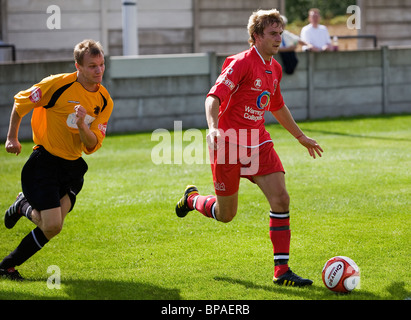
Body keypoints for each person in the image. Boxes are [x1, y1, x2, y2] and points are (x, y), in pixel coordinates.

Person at [175, 9, 323, 287]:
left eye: (280, 33)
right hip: (229, 144)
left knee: (281, 199)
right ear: (256, 37)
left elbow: (276, 105)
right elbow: (213, 98)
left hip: (259, 143)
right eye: (272, 34)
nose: (279, 39)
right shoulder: (239, 62)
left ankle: (282, 272)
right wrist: (213, 127)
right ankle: (193, 199)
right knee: (226, 215)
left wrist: (300, 137)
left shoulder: (275, 68)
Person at [1, 39, 114, 280]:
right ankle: (10, 253)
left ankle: (8, 260)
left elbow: (92, 145)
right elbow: (20, 102)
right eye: (92, 66)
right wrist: (11, 137)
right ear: (78, 67)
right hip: (44, 162)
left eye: (102, 64)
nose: (99, 70)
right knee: (52, 225)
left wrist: (83, 123)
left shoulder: (104, 100)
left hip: (73, 168)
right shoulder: (57, 85)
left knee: (52, 226)